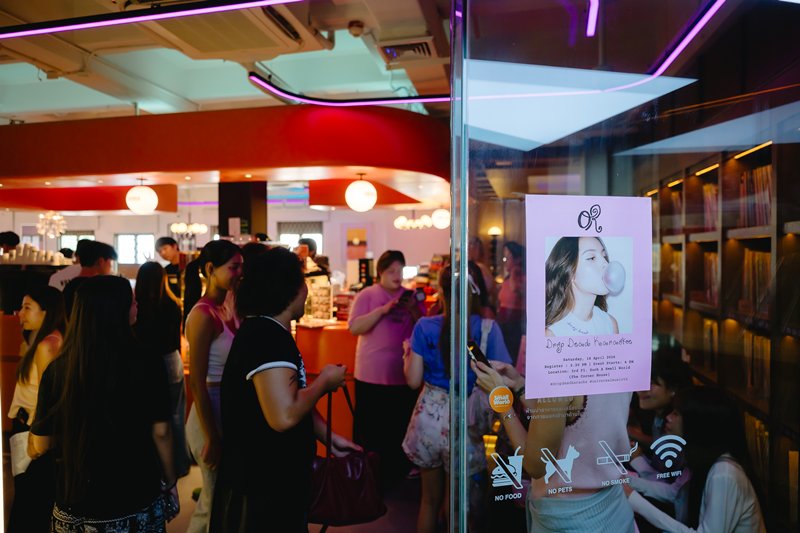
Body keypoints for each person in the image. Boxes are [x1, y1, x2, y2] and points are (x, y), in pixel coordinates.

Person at [210, 247, 360, 532]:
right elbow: (284, 415)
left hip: (269, 480)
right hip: (264, 487)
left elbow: (287, 397)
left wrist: (328, 436)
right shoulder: (268, 338)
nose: (306, 290)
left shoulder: (266, 331)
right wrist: (324, 382)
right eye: (302, 281)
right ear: (287, 289)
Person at [29, 276, 177, 531]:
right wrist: (170, 479)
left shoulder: (60, 369)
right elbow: (161, 432)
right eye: (132, 301)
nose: (137, 305)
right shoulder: (147, 362)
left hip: (75, 499)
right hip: (134, 493)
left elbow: (42, 442)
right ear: (116, 311)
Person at [402, 262, 511, 533]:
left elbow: (413, 380)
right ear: (476, 291)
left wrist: (406, 356)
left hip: (429, 417)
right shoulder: (487, 329)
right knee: (457, 507)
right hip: (466, 421)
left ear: (441, 291)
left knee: (428, 501)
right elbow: (505, 378)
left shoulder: (424, 326)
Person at [472, 362, 635, 530]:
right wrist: (519, 385)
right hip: (613, 508)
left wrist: (500, 397)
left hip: (569, 518)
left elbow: (535, 464)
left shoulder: (564, 369)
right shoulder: (618, 359)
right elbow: (566, 416)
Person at [626, 386, 766, 533]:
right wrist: (625, 481)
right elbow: (674, 493)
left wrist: (633, 499)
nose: (668, 417)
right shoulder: (703, 460)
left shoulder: (723, 473)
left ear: (696, 423)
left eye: (676, 414)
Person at [348, 249, 423, 486]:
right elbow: (355, 327)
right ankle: (369, 475)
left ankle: (397, 472)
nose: (397, 276)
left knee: (399, 425)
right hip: (371, 373)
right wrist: (382, 310)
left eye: (400, 270)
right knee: (372, 427)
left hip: (403, 373)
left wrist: (413, 309)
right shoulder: (367, 295)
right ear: (380, 272)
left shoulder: (409, 296)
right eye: (391, 271)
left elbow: (422, 329)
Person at [184, 240, 243, 533]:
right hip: (209, 413)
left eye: (241, 266)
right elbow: (197, 381)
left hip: (225, 409)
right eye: (233, 267)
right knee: (213, 502)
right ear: (210, 269)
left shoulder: (228, 305)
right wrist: (212, 437)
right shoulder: (202, 315)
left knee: (218, 500)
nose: (239, 273)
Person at [7, 286, 65, 533]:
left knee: (29, 505)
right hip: (29, 428)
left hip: (34, 431)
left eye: (27, 308)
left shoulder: (47, 345)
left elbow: (48, 399)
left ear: (46, 312)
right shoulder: (40, 341)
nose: (20, 314)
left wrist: (39, 438)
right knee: (30, 502)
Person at [135, 262, 190, 479]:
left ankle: (156, 464)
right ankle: (179, 465)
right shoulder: (173, 304)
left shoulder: (136, 307)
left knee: (151, 416)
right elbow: (176, 339)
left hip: (144, 363)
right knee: (176, 416)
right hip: (171, 360)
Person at [545, 236, 619, 337]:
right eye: (591, 258)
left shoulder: (610, 325)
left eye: (604, 256)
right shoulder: (551, 334)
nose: (606, 264)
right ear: (569, 272)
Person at [62, 240, 117, 318]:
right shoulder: (100, 287)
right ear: (101, 261)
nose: (111, 266)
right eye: (110, 261)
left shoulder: (70, 285)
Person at [496, 241, 525, 362]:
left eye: (508, 258)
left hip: (514, 325)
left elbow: (515, 289)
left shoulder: (520, 276)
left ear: (518, 259)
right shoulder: (507, 278)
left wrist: (514, 270)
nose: (505, 261)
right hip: (504, 324)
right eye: (504, 258)